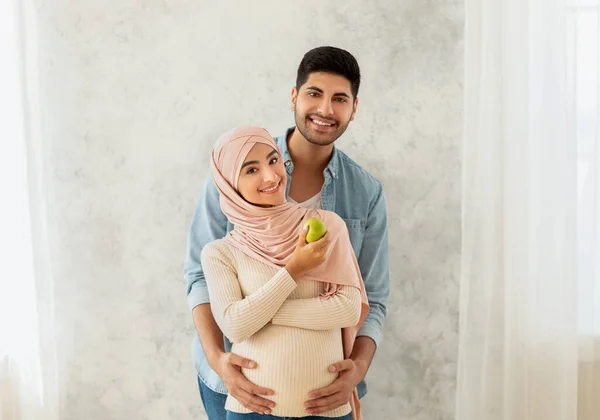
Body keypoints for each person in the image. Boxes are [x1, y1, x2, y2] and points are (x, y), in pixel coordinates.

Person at [184, 46, 390, 420]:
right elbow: (199, 275)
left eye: (339, 99)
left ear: (354, 109)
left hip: (324, 391)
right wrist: (218, 359)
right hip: (237, 382)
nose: (326, 109)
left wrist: (358, 367)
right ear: (294, 96)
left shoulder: (364, 193)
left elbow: (370, 298)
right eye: (314, 94)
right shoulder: (235, 170)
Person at [203, 126, 369, 419]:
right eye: (251, 169)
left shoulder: (327, 226)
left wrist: (263, 314)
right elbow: (235, 325)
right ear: (229, 183)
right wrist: (294, 269)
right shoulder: (220, 252)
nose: (270, 176)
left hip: (327, 409)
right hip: (250, 412)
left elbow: (347, 309)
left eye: (273, 160)